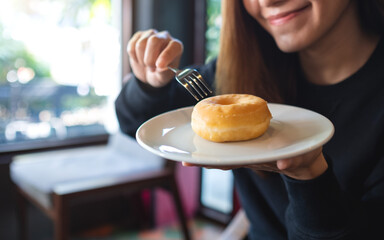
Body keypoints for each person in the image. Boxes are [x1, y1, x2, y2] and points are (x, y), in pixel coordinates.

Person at [115, 0, 384, 239]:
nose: (268, 1)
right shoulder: (244, 68)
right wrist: (149, 83)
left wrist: (309, 176)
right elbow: (135, 122)